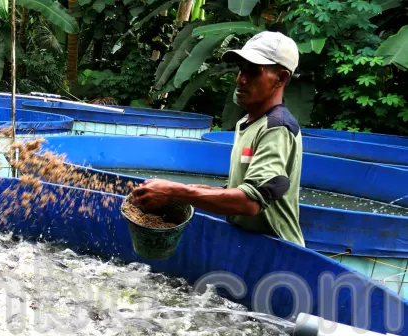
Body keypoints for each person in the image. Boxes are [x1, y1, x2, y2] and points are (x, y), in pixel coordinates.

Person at [129, 31, 305, 246]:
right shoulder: (248, 123)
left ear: (281, 78)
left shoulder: (276, 128)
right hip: (250, 245)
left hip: (279, 253)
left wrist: (173, 190)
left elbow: (250, 202)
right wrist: (172, 192)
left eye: (253, 72)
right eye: (241, 70)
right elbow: (236, 190)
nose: (241, 79)